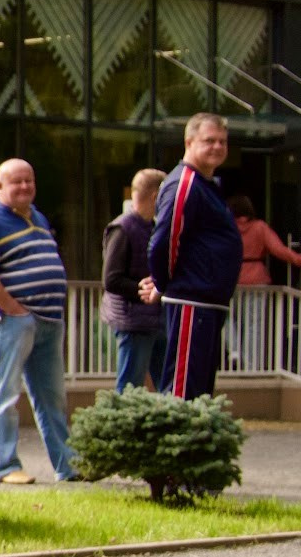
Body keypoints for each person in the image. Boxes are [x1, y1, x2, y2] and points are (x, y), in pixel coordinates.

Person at [0, 160, 79, 485]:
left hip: (47, 321)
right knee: (5, 394)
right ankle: (5, 466)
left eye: (29, 181)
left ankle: (67, 465)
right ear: (0, 187)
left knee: (52, 397)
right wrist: (14, 308)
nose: (25, 187)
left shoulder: (38, 217)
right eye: (16, 182)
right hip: (11, 322)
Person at [140, 112, 242, 399]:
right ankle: (180, 444)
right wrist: (163, 283)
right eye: (209, 140)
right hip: (191, 300)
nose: (218, 147)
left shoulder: (207, 185)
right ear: (189, 141)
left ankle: (198, 443)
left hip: (209, 301)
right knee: (183, 391)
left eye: (222, 141)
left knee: (201, 390)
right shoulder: (184, 182)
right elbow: (164, 240)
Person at [102, 169, 167, 393]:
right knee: (129, 386)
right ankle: (123, 427)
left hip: (155, 319)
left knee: (166, 382)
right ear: (156, 195)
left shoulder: (153, 227)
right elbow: (111, 279)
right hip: (133, 320)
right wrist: (142, 288)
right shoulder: (123, 228)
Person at [228, 194, 301, 286]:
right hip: (257, 278)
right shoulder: (260, 227)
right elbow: (279, 249)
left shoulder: (227, 229)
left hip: (232, 277)